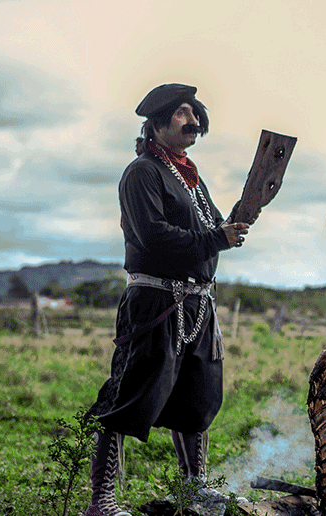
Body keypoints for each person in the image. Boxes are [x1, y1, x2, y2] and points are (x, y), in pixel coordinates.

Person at [84, 83, 252, 516]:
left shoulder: (191, 177)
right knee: (130, 395)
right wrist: (218, 236)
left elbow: (212, 230)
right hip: (155, 301)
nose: (191, 119)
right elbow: (153, 235)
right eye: (181, 112)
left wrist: (233, 222)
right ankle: (101, 501)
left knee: (197, 399)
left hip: (199, 303)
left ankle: (193, 487)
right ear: (157, 123)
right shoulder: (142, 172)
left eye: (194, 112)